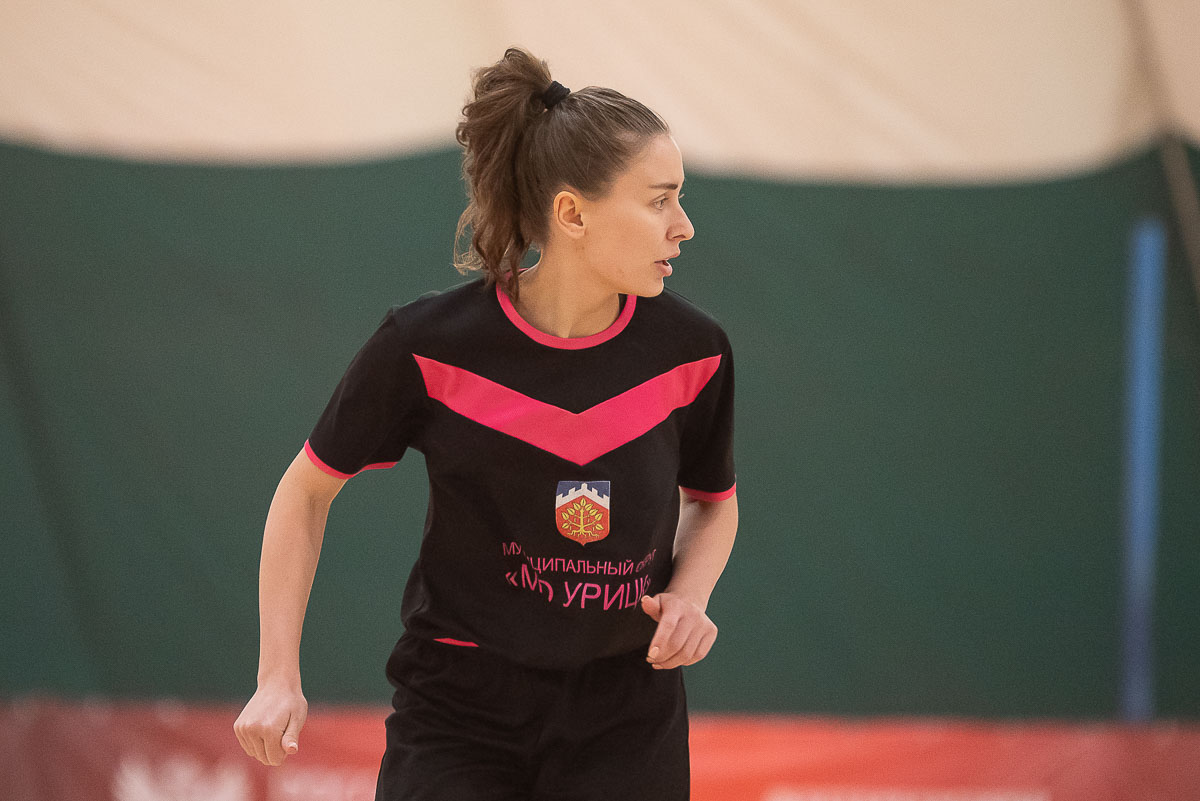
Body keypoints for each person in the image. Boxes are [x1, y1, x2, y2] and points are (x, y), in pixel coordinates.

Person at [234, 46, 738, 801]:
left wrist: (690, 595)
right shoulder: (426, 344)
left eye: (681, 198)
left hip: (626, 715)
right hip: (459, 711)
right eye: (660, 200)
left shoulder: (694, 352)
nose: (684, 226)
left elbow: (714, 502)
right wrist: (277, 675)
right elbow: (305, 492)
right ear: (572, 214)